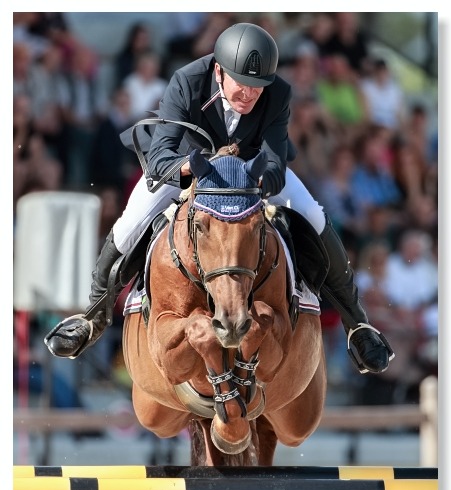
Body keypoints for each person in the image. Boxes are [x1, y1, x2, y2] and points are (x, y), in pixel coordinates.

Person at [45, 22, 393, 375]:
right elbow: (161, 157)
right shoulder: (187, 81)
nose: (249, 95)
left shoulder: (278, 92)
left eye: (258, 88)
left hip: (249, 173)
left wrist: (252, 174)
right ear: (218, 71)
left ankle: (357, 325)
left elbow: (275, 161)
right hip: (188, 167)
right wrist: (201, 167)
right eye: (242, 85)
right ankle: (92, 318)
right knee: (129, 223)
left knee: (315, 215)